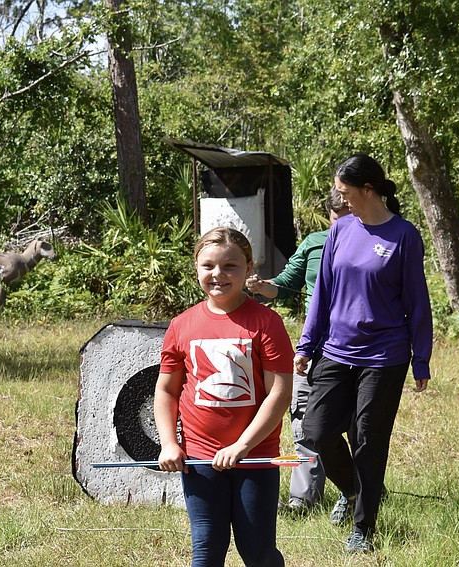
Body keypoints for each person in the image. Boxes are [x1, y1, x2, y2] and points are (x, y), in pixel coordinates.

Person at [294, 154, 432, 554]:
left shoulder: (403, 236)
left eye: (345, 192)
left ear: (368, 190)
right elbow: (322, 293)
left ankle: (363, 527)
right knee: (316, 431)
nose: (340, 200)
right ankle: (356, 490)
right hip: (336, 350)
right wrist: (307, 344)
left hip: (384, 355)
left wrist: (421, 358)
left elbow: (417, 302)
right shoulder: (340, 230)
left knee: (368, 440)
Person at [155, 226, 295, 567]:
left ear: (249, 268)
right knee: (206, 551)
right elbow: (166, 390)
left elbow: (279, 393)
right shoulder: (181, 324)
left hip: (255, 457)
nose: (218, 274)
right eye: (208, 266)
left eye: (230, 266)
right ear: (196, 268)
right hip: (199, 459)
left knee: (258, 552)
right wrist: (169, 444)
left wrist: (242, 446)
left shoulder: (266, 323)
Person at [245, 188, 356, 516]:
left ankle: (357, 490)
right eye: (336, 220)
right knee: (304, 422)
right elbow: (282, 285)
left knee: (354, 427)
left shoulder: (372, 243)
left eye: (350, 219)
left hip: (356, 353)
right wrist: (261, 286)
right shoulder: (314, 243)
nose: (342, 227)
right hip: (313, 351)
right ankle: (303, 500)